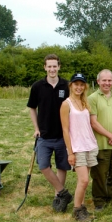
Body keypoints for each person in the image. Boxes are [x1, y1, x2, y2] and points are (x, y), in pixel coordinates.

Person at [27, 54, 73, 212]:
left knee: (62, 166)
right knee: (44, 166)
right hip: (44, 135)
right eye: (49, 66)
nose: (52, 69)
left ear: (59, 67)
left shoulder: (67, 86)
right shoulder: (37, 86)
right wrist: (36, 128)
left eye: (55, 66)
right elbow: (32, 107)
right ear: (45, 67)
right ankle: (63, 192)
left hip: (62, 135)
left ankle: (58, 198)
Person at [88, 69, 112, 211]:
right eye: (104, 80)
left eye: (109, 80)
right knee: (99, 174)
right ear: (98, 81)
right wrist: (110, 136)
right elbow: (93, 122)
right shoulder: (92, 98)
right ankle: (99, 201)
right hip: (100, 144)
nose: (107, 83)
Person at [60, 73, 97, 222]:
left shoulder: (85, 103)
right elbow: (65, 129)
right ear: (71, 85)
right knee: (84, 180)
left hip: (89, 144)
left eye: (82, 85)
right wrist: (70, 152)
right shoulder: (66, 104)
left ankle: (81, 206)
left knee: (84, 180)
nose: (79, 87)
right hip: (77, 147)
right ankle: (77, 211)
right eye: (76, 84)